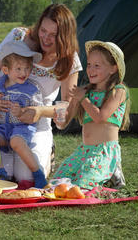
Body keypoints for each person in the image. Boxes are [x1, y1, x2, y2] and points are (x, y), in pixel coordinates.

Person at [0, 4, 82, 187]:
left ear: (64, 37)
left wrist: (39, 111)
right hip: (0, 118)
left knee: (27, 179)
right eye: (43, 30)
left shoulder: (69, 60)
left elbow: (65, 112)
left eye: (53, 35)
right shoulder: (18, 37)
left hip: (34, 123)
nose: (45, 38)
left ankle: (47, 152)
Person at [51, 41, 130, 189]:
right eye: (89, 65)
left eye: (97, 66)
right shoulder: (85, 92)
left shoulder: (119, 91)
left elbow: (100, 117)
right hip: (84, 151)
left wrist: (83, 98)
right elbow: (64, 123)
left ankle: (113, 172)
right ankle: (109, 177)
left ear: (113, 69)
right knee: (57, 183)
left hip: (104, 151)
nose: (90, 70)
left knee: (82, 185)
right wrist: (60, 120)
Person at [0, 41, 47, 188]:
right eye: (18, 69)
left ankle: (38, 173)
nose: (24, 73)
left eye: (27, 68)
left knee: (15, 142)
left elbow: (36, 110)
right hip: (3, 127)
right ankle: (1, 170)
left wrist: (22, 111)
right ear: (5, 70)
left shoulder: (31, 89)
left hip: (22, 127)